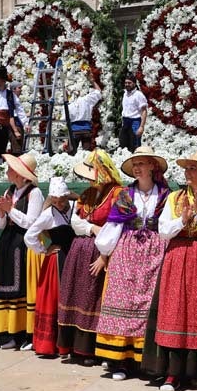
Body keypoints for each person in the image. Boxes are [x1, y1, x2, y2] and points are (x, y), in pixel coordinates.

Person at [143, 149, 197, 391]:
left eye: (193, 168)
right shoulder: (174, 198)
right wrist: (182, 220)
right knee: (175, 311)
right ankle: (172, 372)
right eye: (187, 168)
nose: (187, 172)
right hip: (177, 258)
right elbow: (163, 231)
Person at [94, 146, 171, 380]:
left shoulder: (166, 195)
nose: (137, 168)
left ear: (152, 167)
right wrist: (104, 251)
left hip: (156, 251)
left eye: (142, 163)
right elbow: (114, 225)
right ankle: (120, 361)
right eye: (134, 165)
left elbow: (168, 225)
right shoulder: (125, 195)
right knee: (123, 300)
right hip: (127, 250)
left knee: (149, 304)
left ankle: (146, 361)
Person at [57, 150, 124, 360]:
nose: (87, 178)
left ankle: (89, 349)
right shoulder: (87, 194)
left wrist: (104, 255)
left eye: (92, 172)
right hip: (80, 249)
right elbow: (75, 221)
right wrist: (91, 229)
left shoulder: (119, 194)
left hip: (102, 251)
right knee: (74, 293)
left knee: (91, 297)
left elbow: (118, 226)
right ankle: (72, 346)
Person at [0, 152, 43, 349]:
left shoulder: (34, 193)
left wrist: (10, 210)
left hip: (25, 245)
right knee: (8, 285)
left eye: (12, 169)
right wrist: (1, 212)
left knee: (25, 288)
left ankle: (29, 335)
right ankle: (12, 332)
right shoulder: (11, 191)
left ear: (21, 174)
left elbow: (32, 223)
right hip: (8, 242)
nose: (8, 171)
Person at [23, 176, 77, 356]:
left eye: (62, 200)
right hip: (58, 260)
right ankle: (56, 345)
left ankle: (74, 344)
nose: (59, 204)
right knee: (57, 299)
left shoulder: (77, 208)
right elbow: (29, 236)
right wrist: (43, 250)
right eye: (55, 200)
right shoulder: (48, 214)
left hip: (76, 258)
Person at [67, 71, 102, 154]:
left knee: (72, 153)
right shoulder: (86, 99)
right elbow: (98, 92)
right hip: (86, 129)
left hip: (74, 130)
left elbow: (65, 119)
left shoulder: (69, 104)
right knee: (86, 153)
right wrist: (92, 81)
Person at [118, 75, 147, 152]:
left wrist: (141, 127)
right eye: (126, 83)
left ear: (134, 83)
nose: (127, 84)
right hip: (125, 121)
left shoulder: (138, 95)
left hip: (135, 121)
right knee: (124, 143)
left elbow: (144, 111)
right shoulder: (125, 94)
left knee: (135, 143)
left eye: (129, 83)